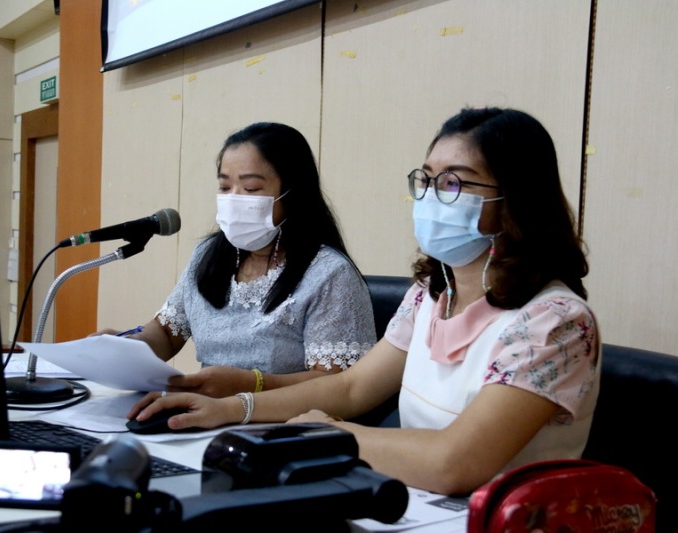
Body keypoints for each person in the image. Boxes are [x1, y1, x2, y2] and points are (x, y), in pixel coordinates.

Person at [127, 108, 601, 496]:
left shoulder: (555, 323)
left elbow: (454, 463)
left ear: (516, 200)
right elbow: (353, 388)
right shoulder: (431, 295)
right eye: (426, 180)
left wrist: (332, 433)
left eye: (454, 183)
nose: (430, 197)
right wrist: (234, 409)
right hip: (410, 498)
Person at [99, 122, 376, 398]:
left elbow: (336, 385)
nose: (234, 200)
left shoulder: (330, 274)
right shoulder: (208, 254)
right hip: (205, 413)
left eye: (251, 188)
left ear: (294, 193)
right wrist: (129, 348)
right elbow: (166, 332)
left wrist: (251, 384)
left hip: (284, 420)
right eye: (224, 186)